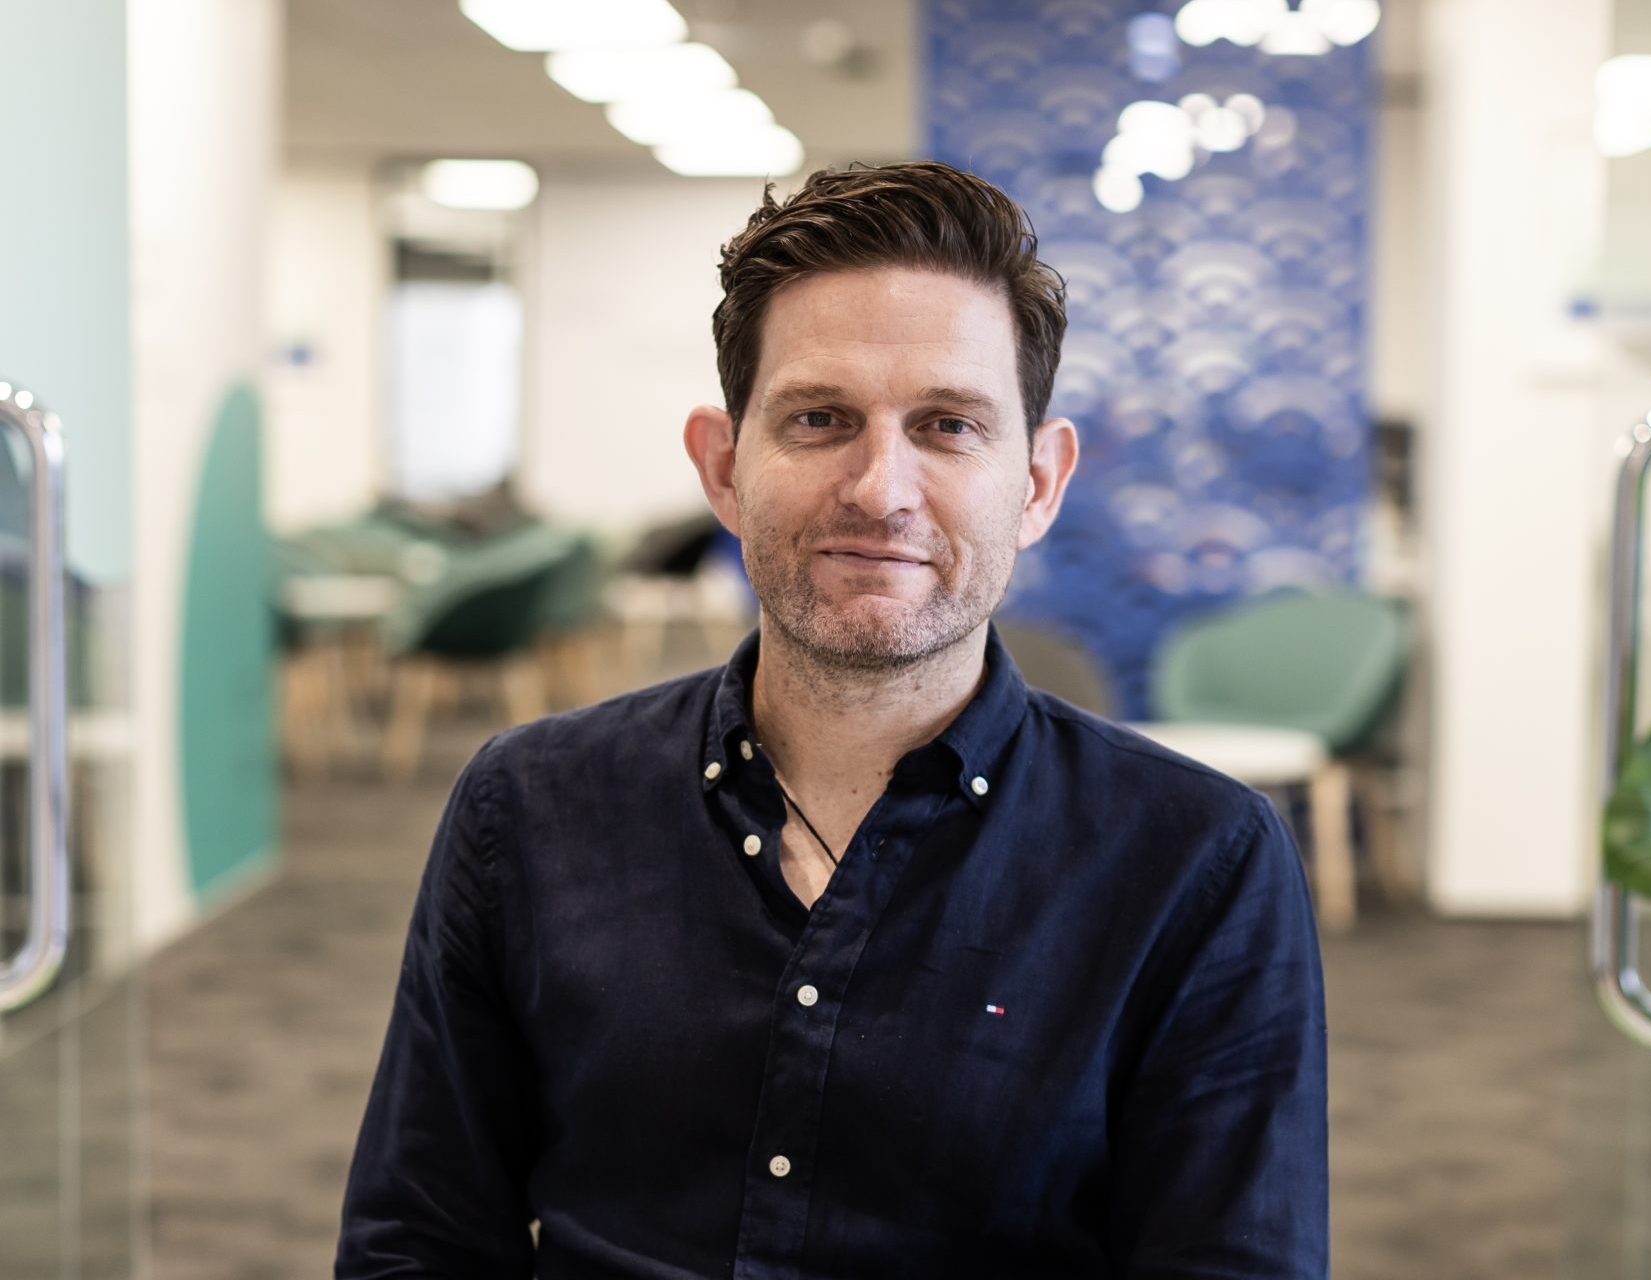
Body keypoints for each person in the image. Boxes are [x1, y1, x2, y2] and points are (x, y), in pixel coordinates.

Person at [336, 160, 1327, 1279]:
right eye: (819, 419)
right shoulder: (530, 805)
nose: (880, 489)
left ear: (1039, 483)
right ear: (723, 468)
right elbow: (418, 1240)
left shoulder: (1196, 857)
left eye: (948, 425)